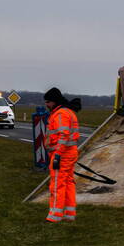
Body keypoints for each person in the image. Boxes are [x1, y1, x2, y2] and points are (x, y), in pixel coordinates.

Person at [44, 87, 81, 223]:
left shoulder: (60, 114)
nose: (46, 104)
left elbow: (63, 135)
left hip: (62, 154)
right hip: (69, 153)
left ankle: (54, 215)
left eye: (48, 102)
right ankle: (69, 213)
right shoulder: (67, 112)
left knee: (57, 184)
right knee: (68, 182)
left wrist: (57, 154)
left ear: (54, 101)